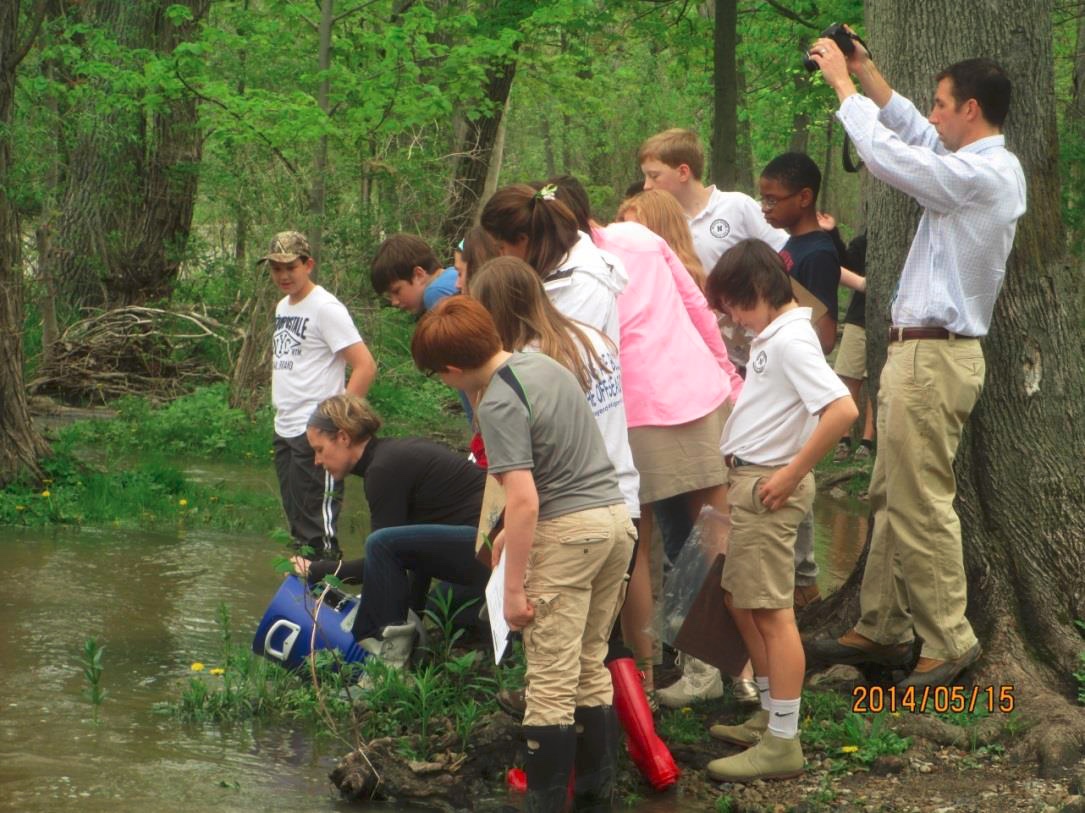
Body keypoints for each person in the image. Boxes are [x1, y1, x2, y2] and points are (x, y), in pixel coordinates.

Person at [805, 38, 1026, 689]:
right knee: (888, 493)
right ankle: (879, 625)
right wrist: (868, 73)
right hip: (920, 354)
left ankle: (948, 639)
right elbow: (906, 129)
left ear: (972, 110)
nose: (930, 116)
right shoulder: (968, 163)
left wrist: (844, 87)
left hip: (933, 356)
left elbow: (884, 155)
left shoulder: (981, 176)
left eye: (940, 105)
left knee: (921, 500)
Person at [412, 296, 636, 812]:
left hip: (568, 535)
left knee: (550, 681)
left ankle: (545, 802)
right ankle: (595, 796)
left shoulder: (495, 402)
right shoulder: (543, 364)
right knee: (588, 664)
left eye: (438, 376)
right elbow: (557, 460)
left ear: (451, 369)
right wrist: (506, 536)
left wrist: (512, 591)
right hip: (615, 523)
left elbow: (525, 497)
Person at [546, 175, 743, 705]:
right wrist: (728, 379)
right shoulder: (640, 239)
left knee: (637, 548)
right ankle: (733, 670)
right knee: (716, 536)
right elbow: (698, 310)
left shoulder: (564, 270)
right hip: (698, 393)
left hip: (633, 410)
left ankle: (647, 680)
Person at [703, 239, 857, 782]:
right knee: (742, 602)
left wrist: (791, 474)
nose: (738, 322)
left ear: (763, 290)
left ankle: (783, 741)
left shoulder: (793, 340)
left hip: (770, 486)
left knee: (772, 612)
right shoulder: (776, 336)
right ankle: (770, 715)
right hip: (749, 481)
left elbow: (842, 410)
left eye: (739, 308)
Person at [294, 394, 487, 669]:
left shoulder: (384, 469)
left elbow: (382, 556)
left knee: (381, 545)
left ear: (343, 437)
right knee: (440, 607)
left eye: (320, 449)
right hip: (489, 549)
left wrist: (317, 570)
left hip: (493, 548)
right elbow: (417, 555)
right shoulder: (389, 457)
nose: (316, 460)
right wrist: (414, 614)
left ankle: (386, 662)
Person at [263, 230, 377, 561]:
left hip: (315, 431)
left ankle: (325, 597)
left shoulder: (326, 308)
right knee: (298, 527)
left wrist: (335, 423)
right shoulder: (283, 306)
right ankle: (300, 601)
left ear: (308, 264)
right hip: (285, 426)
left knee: (318, 531)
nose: (283, 276)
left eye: (290, 267)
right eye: (275, 268)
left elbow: (365, 366)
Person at [638, 127, 787, 371]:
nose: (646, 186)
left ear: (683, 172)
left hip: (760, 343)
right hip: (705, 354)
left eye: (654, 176)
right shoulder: (662, 225)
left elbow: (785, 255)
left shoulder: (736, 206)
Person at [479, 183, 626, 346]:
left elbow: (564, 359)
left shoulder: (582, 286)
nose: (500, 256)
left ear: (523, 239)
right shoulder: (554, 271)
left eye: (501, 247)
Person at [759, 152, 841, 356]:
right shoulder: (792, 245)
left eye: (772, 200)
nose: (764, 209)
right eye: (763, 199)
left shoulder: (818, 254)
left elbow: (826, 339)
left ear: (804, 197)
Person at [829, 229, 876, 461]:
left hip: (890, 321)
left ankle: (867, 442)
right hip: (858, 318)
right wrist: (833, 234)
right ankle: (844, 438)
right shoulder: (864, 241)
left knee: (878, 383)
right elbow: (844, 265)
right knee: (849, 379)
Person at [370, 233, 459, 314]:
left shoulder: (435, 294)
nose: (394, 302)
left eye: (397, 291)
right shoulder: (453, 274)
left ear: (419, 275)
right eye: (390, 295)